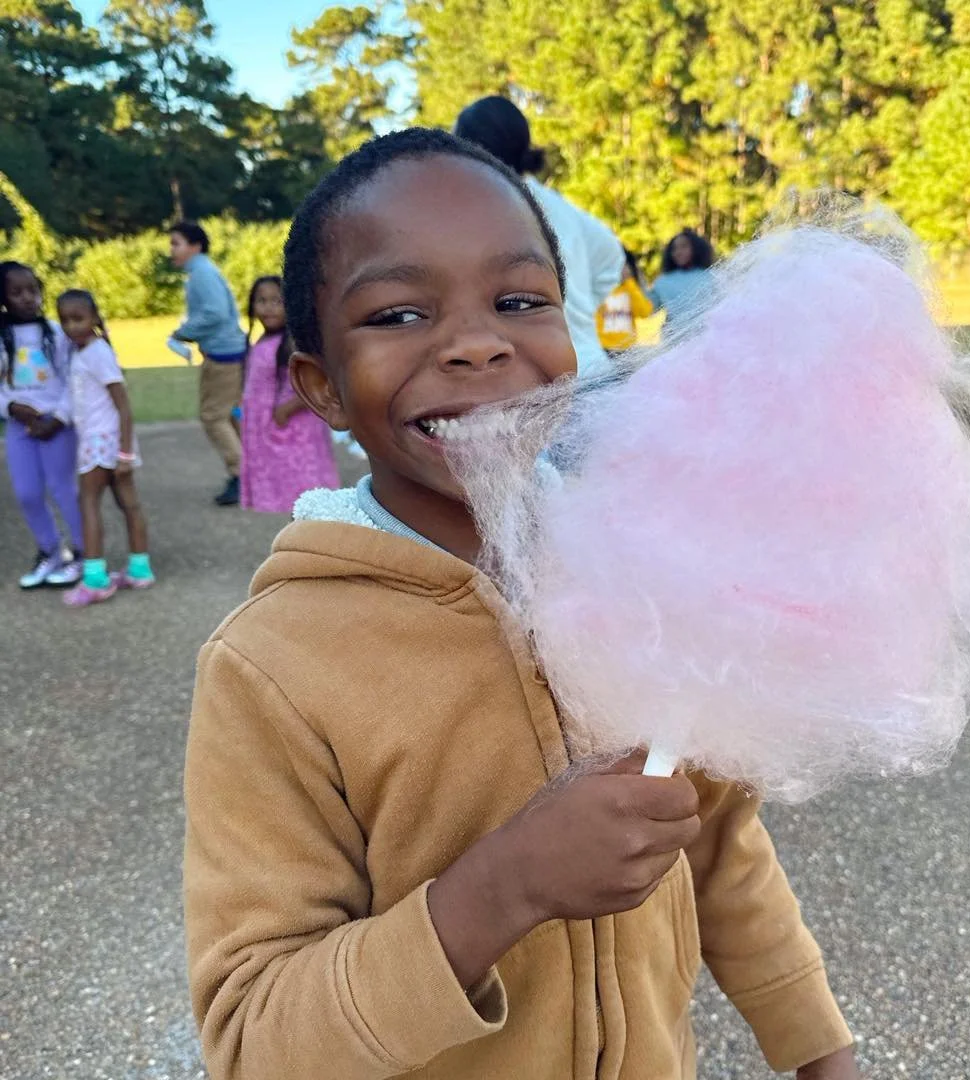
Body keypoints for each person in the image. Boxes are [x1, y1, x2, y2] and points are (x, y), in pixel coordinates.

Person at [184, 129, 859, 1080]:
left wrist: (820, 1048)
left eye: (519, 301)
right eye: (399, 313)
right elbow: (254, 1039)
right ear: (322, 385)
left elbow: (714, 842)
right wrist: (503, 887)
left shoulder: (641, 567)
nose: (476, 342)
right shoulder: (273, 667)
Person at [454, 95, 624, 379]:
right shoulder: (556, 205)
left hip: (541, 383)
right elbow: (610, 253)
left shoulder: (476, 208)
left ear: (466, 147)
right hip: (592, 369)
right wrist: (577, 313)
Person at [55, 289, 153, 606]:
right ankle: (140, 569)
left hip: (102, 443)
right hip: (108, 442)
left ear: (95, 318)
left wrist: (124, 454)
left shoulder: (96, 353)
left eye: (78, 318)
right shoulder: (85, 353)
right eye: (65, 320)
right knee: (129, 504)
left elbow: (123, 405)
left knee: (89, 504)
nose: (71, 326)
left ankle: (95, 579)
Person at [0, 260, 83, 589]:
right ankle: (50, 552)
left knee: (64, 491)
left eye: (32, 290)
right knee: (27, 493)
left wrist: (58, 417)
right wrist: (12, 406)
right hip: (20, 426)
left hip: (56, 426)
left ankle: (82, 553)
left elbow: (73, 381)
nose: (26, 298)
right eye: (16, 292)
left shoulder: (57, 333)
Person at [239, 275, 338, 513]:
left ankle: (306, 540)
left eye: (277, 301)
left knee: (303, 490)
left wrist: (287, 409)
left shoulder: (293, 341)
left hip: (294, 430)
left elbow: (319, 378)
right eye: (262, 301)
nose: (268, 307)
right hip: (268, 429)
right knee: (285, 493)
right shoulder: (263, 339)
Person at [168, 221, 247, 506]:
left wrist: (183, 332)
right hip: (227, 351)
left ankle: (241, 475)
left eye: (176, 243)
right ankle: (249, 472)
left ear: (195, 245)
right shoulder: (201, 271)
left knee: (214, 416)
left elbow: (215, 312)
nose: (171, 250)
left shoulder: (201, 272)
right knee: (228, 414)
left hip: (223, 355)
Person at [651, 229, 715, 336]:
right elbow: (647, 308)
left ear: (696, 248)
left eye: (684, 246)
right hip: (675, 344)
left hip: (706, 339)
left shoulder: (711, 276)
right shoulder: (663, 282)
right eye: (674, 249)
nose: (678, 252)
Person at [597, 248, 654, 354]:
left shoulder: (630, 287)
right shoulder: (598, 287)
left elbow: (645, 313)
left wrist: (629, 282)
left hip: (627, 349)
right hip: (602, 348)